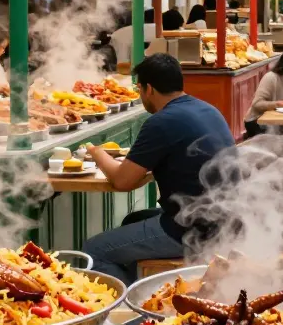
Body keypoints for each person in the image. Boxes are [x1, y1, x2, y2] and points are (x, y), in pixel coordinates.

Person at [83, 54, 235, 284]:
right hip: (226, 221)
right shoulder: (207, 109)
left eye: (139, 88)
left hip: (194, 230)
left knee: (93, 251)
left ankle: (123, 314)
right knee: (132, 220)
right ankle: (139, 291)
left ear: (149, 89)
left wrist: (96, 153)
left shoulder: (161, 121)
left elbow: (123, 181)